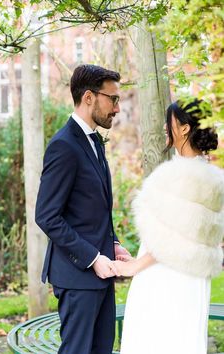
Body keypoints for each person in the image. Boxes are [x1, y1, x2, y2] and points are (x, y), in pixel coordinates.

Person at [113, 99, 224, 354]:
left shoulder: (181, 176)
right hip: (191, 278)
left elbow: (169, 243)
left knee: (156, 339)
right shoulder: (211, 176)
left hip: (166, 277)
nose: (165, 127)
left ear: (184, 128)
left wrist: (132, 267)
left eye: (170, 120)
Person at [35, 64, 130, 354]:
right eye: (112, 99)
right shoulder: (63, 146)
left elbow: (93, 208)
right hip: (78, 277)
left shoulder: (94, 143)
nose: (117, 108)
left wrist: (111, 244)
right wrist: (93, 258)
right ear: (89, 97)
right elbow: (47, 215)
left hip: (102, 276)